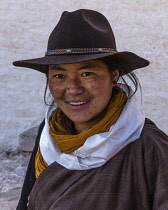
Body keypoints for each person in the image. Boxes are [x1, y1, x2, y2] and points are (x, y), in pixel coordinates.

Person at [13, 9, 168, 210]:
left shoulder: (149, 148)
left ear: (114, 76)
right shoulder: (49, 136)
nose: (73, 89)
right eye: (59, 76)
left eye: (87, 73)